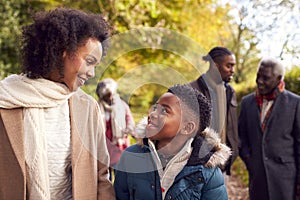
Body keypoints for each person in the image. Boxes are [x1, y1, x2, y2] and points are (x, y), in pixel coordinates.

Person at [0, 7, 116, 199]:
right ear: (63, 51)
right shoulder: (6, 101)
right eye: (89, 61)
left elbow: (101, 177)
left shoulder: (87, 108)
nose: (92, 73)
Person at [114, 84, 231, 200]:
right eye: (155, 108)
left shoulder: (208, 173)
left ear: (187, 128)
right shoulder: (130, 157)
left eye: (164, 111)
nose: (152, 114)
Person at [238, 57, 300, 200]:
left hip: (285, 181)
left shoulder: (295, 103)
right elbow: (242, 136)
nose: (260, 81)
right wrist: (250, 160)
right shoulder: (247, 102)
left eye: (265, 78)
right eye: (258, 76)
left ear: (279, 79)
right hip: (257, 179)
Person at [190, 46, 239, 176]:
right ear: (215, 66)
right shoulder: (192, 90)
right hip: (197, 166)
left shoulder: (230, 92)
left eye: (233, 66)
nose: (232, 70)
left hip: (223, 164)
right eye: (229, 66)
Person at [96, 78, 135, 180]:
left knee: (120, 174)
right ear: (102, 96)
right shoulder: (96, 108)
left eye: (112, 94)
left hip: (120, 145)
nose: (111, 97)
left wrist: (129, 128)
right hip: (104, 146)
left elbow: (129, 119)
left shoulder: (122, 105)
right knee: (105, 177)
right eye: (107, 95)